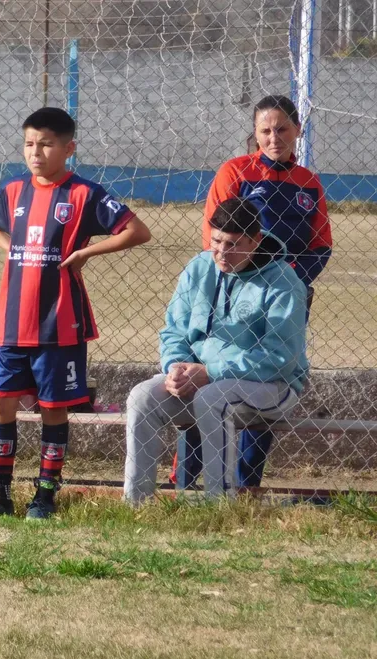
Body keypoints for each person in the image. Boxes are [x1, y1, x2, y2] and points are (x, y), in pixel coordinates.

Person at [0, 107, 151, 520]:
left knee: (53, 409)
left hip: (59, 326)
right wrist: (8, 246)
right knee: (0, 406)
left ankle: (44, 497)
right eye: (29, 144)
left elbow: (138, 231)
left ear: (68, 148)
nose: (36, 152)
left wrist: (86, 251)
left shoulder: (85, 194)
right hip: (12, 326)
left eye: (46, 144)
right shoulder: (14, 191)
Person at [173, 95, 333, 491]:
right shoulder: (236, 173)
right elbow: (215, 235)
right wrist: (250, 276)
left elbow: (321, 245)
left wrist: (286, 281)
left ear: (297, 130)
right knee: (209, 378)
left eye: (282, 129)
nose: (274, 137)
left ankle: (245, 485)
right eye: (265, 130)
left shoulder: (309, 184)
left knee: (263, 377)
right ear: (255, 134)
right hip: (233, 293)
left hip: (283, 298)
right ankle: (186, 478)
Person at [124, 198, 308, 503]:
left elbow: (280, 360)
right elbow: (174, 329)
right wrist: (175, 367)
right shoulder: (199, 267)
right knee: (142, 397)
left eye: (234, 244)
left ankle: (219, 505)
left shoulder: (284, 283)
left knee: (213, 399)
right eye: (216, 241)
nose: (222, 253)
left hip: (272, 386)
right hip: (202, 380)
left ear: (255, 241)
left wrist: (211, 373)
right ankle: (136, 503)